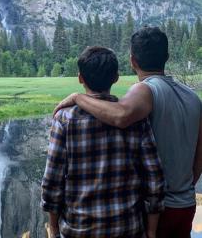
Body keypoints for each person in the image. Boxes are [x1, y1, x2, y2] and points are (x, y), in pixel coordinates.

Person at [54, 27, 202, 238]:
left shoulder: (144, 89)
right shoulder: (193, 97)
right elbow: (199, 154)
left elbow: (120, 116)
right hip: (185, 204)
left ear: (132, 61)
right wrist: (185, 187)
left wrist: (78, 98)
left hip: (156, 209)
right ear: (166, 57)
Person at [41, 46, 165, 238]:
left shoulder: (64, 119)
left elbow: (52, 181)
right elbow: (154, 179)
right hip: (128, 229)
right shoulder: (136, 118)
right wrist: (151, 231)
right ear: (115, 77)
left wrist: (54, 228)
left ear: (80, 78)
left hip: (78, 231)